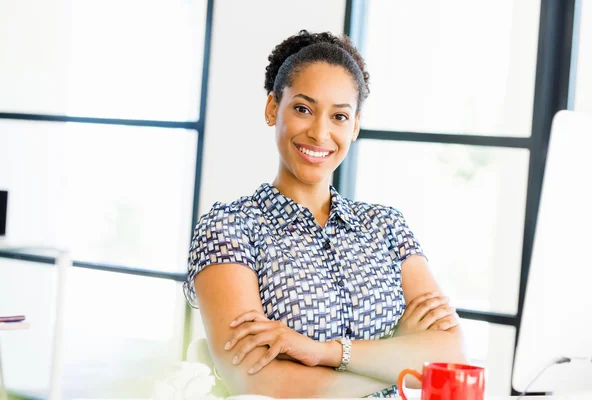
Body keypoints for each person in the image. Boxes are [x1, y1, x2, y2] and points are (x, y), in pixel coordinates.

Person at [183, 30, 468, 398]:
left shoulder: (386, 226)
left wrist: (322, 353)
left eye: (339, 116)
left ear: (355, 126)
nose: (319, 133)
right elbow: (256, 380)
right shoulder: (230, 228)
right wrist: (399, 359)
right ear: (273, 108)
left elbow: (452, 357)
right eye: (303, 109)